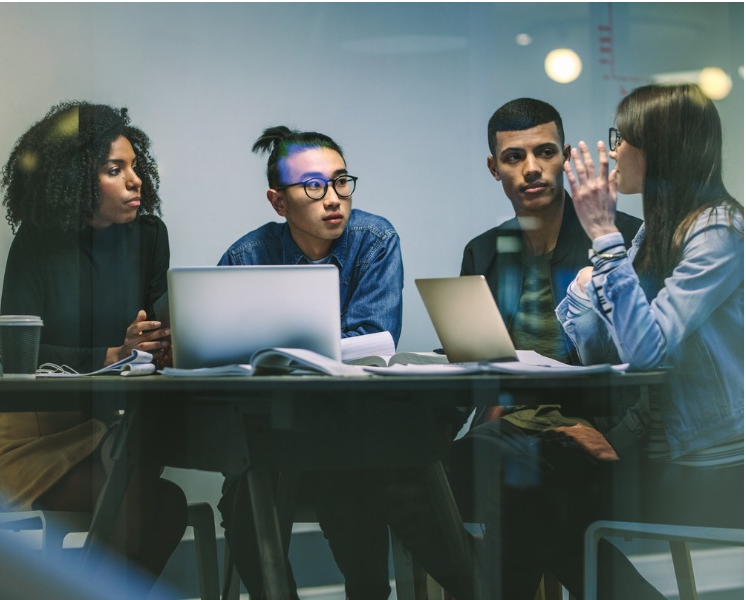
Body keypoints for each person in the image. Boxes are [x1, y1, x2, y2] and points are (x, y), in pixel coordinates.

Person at [448, 97, 645, 598]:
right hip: (504, 436)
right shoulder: (484, 251)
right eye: (514, 157)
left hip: (590, 435)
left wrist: (622, 435)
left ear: (565, 157)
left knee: (519, 494)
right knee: (423, 478)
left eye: (545, 152)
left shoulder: (618, 237)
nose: (531, 168)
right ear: (494, 168)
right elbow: (472, 360)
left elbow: (655, 353)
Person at [554, 82, 743, 598]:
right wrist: (587, 287)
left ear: (658, 148)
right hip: (661, 446)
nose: (613, 150)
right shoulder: (657, 230)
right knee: (533, 488)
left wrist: (601, 235)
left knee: (549, 505)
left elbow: (643, 354)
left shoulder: (719, 231)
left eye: (623, 137)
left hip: (716, 463)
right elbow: (607, 355)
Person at [0, 101, 188, 585]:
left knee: (162, 503)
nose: (135, 181)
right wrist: (110, 356)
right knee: (144, 505)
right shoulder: (36, 242)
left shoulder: (149, 236)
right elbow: (19, 356)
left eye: (135, 167)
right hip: (40, 438)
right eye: (114, 170)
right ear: (76, 180)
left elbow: (157, 328)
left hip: (118, 424)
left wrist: (157, 343)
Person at [216, 125, 405, 599]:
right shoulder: (246, 257)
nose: (333, 199)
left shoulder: (373, 239)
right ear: (279, 202)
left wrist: (280, 353)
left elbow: (373, 340)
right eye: (314, 186)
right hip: (268, 436)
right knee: (242, 499)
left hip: (348, 430)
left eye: (342, 182)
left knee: (351, 484)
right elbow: (220, 354)